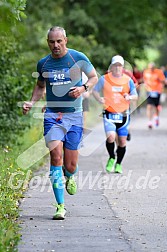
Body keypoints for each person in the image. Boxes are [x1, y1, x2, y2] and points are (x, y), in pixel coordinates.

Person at [23, 26, 98, 220]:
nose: (55, 45)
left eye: (59, 41)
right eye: (51, 42)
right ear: (48, 42)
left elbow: (94, 77)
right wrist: (32, 101)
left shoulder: (77, 57)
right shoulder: (44, 64)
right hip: (52, 117)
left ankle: (70, 175)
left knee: (70, 165)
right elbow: (40, 86)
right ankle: (60, 206)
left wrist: (83, 88)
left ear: (66, 40)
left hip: (74, 116)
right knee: (56, 157)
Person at [92, 55, 138, 174]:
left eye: (120, 65)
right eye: (115, 65)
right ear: (112, 67)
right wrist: (99, 99)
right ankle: (112, 157)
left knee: (122, 141)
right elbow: (95, 91)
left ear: (122, 67)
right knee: (111, 137)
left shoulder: (128, 80)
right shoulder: (104, 79)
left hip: (123, 114)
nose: (117, 68)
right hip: (109, 113)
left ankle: (118, 164)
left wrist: (129, 96)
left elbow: (135, 95)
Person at [143, 62, 165, 129]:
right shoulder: (146, 72)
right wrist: (146, 86)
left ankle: (156, 117)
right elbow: (145, 80)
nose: (151, 69)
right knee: (149, 106)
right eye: (149, 68)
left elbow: (163, 81)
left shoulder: (158, 72)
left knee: (156, 106)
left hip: (157, 91)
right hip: (149, 91)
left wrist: (160, 80)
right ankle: (149, 122)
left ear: (154, 67)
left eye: (152, 68)